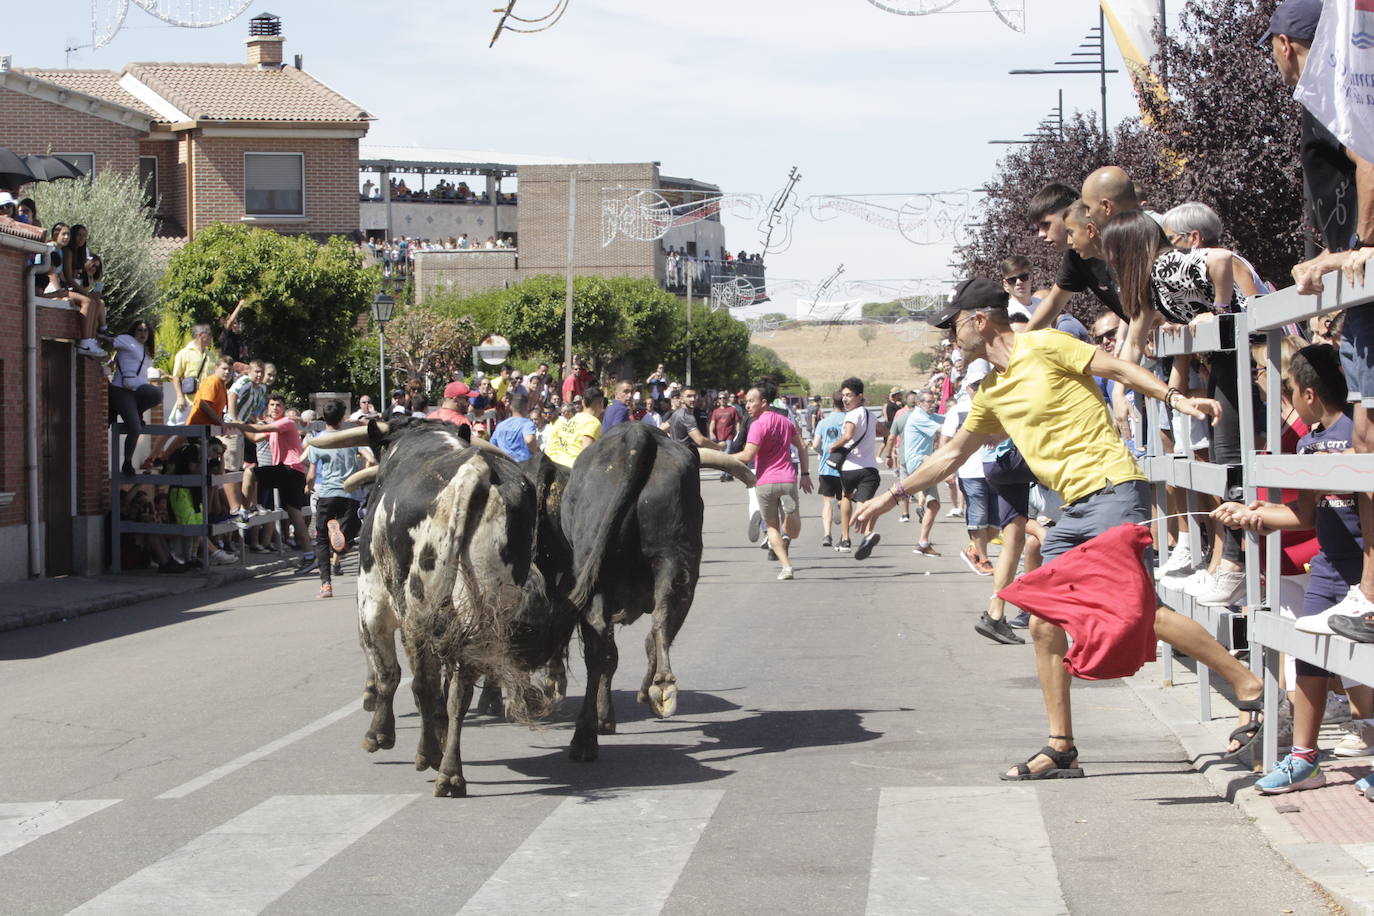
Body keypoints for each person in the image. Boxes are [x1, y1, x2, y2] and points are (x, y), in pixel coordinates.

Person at [853, 276, 1261, 780]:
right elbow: (952, 454)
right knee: (1046, 622)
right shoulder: (993, 393)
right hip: (1072, 511)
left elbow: (1120, 368)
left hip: (1113, 489)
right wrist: (889, 497)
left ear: (980, 321)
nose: (950, 338)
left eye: (954, 326)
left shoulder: (1045, 345)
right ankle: (1061, 746)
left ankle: (1249, 686)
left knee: (1134, 613)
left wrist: (1177, 401)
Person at [1212, 344, 1374, 792]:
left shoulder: (1359, 434)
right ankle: (1305, 757)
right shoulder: (1306, 444)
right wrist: (1251, 515)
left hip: (1364, 569)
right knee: (1309, 653)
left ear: (1306, 394)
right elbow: (1304, 516)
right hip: (1326, 567)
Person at [735, 381, 813, 580]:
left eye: (752, 401)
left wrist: (725, 458)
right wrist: (805, 474)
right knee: (793, 532)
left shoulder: (757, 425)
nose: (748, 405)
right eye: (746, 402)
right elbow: (802, 446)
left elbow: (747, 456)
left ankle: (786, 567)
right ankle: (788, 515)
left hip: (765, 481)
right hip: (788, 478)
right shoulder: (786, 422)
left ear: (764, 402)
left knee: (771, 527)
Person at [231, 393, 312, 563]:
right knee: (295, 514)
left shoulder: (286, 423)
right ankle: (309, 555)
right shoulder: (275, 427)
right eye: (272, 405)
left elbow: (258, 429)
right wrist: (241, 427)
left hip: (288, 470)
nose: (275, 408)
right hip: (292, 473)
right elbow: (254, 437)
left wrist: (235, 421)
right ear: (267, 407)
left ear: (283, 408)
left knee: (250, 472)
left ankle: (244, 511)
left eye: (278, 405)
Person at [305, 400, 366, 599]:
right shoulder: (350, 439)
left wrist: (308, 486)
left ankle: (326, 586)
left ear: (324, 418)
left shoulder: (318, 441)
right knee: (350, 533)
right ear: (342, 417)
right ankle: (343, 544)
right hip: (351, 494)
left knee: (321, 538)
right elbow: (371, 458)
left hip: (328, 493)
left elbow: (312, 473)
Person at [828, 377, 881, 559]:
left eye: (849, 395)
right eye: (843, 395)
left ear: (859, 397)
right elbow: (885, 432)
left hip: (850, 467)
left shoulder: (851, 415)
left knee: (846, 498)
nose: (845, 399)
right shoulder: (870, 415)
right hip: (869, 468)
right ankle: (867, 535)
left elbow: (848, 435)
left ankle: (845, 538)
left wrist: (834, 446)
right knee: (864, 503)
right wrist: (888, 451)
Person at [107, 319, 161, 478]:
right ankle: (128, 462)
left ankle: (137, 412)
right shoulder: (127, 340)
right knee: (135, 428)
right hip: (122, 390)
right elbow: (109, 340)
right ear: (133, 331)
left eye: (146, 330)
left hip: (137, 391)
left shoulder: (146, 350)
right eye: (139, 330)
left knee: (156, 393)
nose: (143, 333)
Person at [901, 389, 945, 558]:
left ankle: (923, 543)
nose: (932, 405)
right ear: (919, 403)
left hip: (923, 462)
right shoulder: (919, 417)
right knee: (948, 468)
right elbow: (943, 429)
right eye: (929, 402)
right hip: (919, 462)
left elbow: (948, 420)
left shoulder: (928, 415)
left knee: (933, 505)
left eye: (934, 402)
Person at [810, 393, 847, 548]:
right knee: (845, 500)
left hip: (826, 466)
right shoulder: (849, 420)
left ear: (832, 402)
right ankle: (844, 535)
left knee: (826, 501)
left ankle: (827, 534)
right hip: (845, 467)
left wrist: (822, 453)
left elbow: (816, 444)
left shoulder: (824, 422)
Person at [545, 387, 606, 469]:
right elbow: (587, 452)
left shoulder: (574, 418)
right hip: (573, 469)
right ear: (601, 404)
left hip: (558, 464)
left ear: (583, 402)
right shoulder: (593, 422)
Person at [170, 325, 219, 425]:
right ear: (201, 335)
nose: (211, 338)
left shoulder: (211, 355)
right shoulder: (184, 353)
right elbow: (176, 377)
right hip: (189, 401)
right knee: (175, 429)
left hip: (205, 402)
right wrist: (180, 397)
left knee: (200, 433)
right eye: (209, 335)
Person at [491, 393, 538, 461]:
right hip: (522, 464)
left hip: (504, 464)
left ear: (511, 407)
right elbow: (529, 440)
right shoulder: (527, 424)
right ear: (526, 407)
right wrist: (535, 453)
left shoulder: (500, 425)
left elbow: (492, 444)